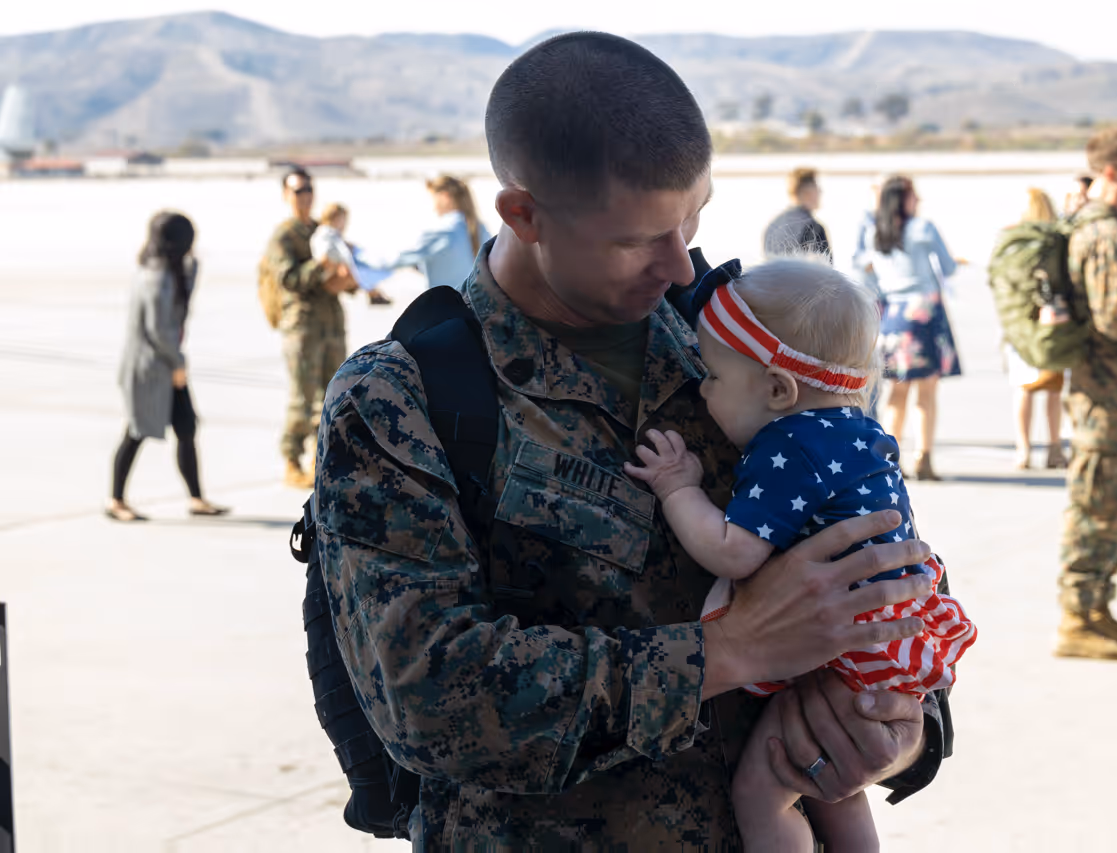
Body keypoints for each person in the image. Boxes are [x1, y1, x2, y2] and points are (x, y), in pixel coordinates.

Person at [316, 33, 952, 850]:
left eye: (693, 218)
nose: (682, 267)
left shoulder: (744, 345)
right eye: (635, 240)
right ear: (523, 214)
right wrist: (726, 650)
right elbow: (425, 698)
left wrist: (900, 726)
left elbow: (885, 566)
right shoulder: (406, 396)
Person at [625, 258, 976, 852]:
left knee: (763, 792)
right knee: (831, 784)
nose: (703, 388)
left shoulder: (787, 445)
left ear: (777, 390)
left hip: (850, 645)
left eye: (712, 376)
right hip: (889, 642)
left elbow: (733, 552)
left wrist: (677, 487)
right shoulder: (859, 430)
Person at [1054, 127, 1117, 660]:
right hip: (1104, 391)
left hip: (1112, 389)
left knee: (1114, 501)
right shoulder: (1106, 234)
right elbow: (1115, 317)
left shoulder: (1107, 226)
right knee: (1098, 501)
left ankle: (1094, 610)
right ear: (1111, 172)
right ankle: (1078, 616)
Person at [108, 211, 228, 522]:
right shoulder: (157, 277)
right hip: (152, 368)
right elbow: (159, 329)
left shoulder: (163, 269)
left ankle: (197, 498)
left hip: (165, 364)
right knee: (136, 430)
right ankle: (116, 500)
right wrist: (177, 363)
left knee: (186, 426)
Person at [263, 167, 358, 489]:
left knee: (332, 395)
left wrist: (350, 277)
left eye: (308, 190)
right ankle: (291, 460)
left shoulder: (323, 231)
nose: (304, 196)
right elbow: (288, 278)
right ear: (285, 195)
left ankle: (321, 461)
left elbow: (345, 270)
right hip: (302, 325)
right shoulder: (284, 237)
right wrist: (321, 266)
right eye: (298, 191)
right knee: (301, 397)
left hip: (331, 324)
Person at [867, 175, 964, 480]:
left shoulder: (875, 232)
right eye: (913, 195)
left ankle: (890, 459)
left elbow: (870, 275)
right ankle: (924, 457)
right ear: (903, 199)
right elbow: (948, 267)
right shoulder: (923, 228)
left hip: (893, 315)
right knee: (927, 391)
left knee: (896, 393)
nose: (918, 200)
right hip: (924, 313)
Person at [1005, 189, 1067, 470]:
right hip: (1053, 318)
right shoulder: (1056, 239)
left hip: (1021, 322)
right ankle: (1054, 447)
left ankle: (1024, 448)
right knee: (1053, 387)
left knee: (1024, 387)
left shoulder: (1014, 240)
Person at [395, 174, 492, 290]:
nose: (433, 206)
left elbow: (402, 258)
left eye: (433, 198)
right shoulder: (481, 228)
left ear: (445, 197)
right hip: (474, 299)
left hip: (445, 299)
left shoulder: (443, 229)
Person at [310, 202, 394, 305]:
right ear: (335, 219)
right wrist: (349, 264)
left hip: (328, 272)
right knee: (362, 271)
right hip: (327, 274)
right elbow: (339, 253)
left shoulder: (324, 233)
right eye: (342, 220)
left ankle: (373, 292)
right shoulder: (328, 233)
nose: (344, 225)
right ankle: (373, 293)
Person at [763, 168, 832, 262]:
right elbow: (825, 268)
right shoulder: (812, 227)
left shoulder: (773, 226)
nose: (820, 191)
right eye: (816, 187)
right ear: (807, 192)